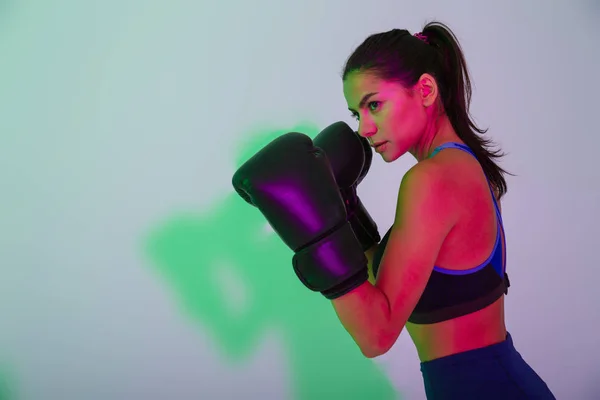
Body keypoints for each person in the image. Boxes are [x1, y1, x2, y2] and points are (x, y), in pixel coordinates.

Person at [232, 20, 556, 400]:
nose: (365, 128)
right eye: (356, 113)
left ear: (425, 90)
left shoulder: (431, 179)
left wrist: (318, 238)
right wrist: (346, 212)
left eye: (374, 105)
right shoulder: (462, 165)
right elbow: (391, 289)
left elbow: (377, 334)